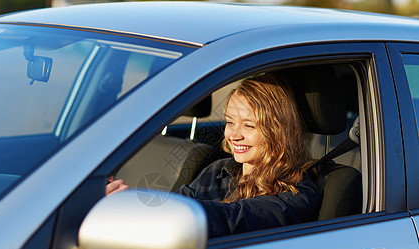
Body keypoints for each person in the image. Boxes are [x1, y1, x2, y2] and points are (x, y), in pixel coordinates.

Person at [106, 73, 319, 238]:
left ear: (278, 130)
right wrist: (130, 203)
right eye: (229, 122)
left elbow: (234, 218)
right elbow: (176, 202)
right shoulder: (220, 171)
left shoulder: (297, 191)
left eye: (249, 125)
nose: (234, 135)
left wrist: (150, 212)